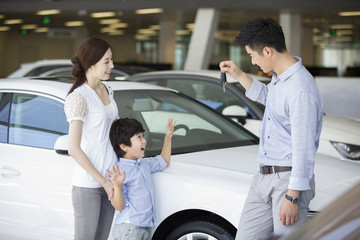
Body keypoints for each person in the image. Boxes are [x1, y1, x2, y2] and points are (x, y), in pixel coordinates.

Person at [219, 17, 323, 239]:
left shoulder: (300, 88)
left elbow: (304, 149)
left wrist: (293, 197)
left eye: (252, 55)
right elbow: (270, 99)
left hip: (286, 182)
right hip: (263, 179)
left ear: (267, 51)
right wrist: (238, 75)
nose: (253, 61)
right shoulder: (280, 79)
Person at [64, 37, 118, 240]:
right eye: (107, 61)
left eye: (111, 60)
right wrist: (102, 181)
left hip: (111, 182)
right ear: (91, 63)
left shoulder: (108, 90)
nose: (112, 66)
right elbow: (73, 149)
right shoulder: (78, 97)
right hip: (89, 184)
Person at [106, 117, 176, 240]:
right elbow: (119, 207)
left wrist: (168, 136)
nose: (144, 141)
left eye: (143, 136)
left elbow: (164, 161)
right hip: (129, 228)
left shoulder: (144, 164)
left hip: (144, 227)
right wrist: (117, 187)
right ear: (124, 146)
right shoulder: (119, 171)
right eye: (139, 137)